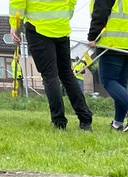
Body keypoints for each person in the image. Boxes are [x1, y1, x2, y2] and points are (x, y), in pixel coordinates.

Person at [8, 0, 92, 131]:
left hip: (38, 27)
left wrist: (15, 24)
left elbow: (18, 2)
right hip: (61, 26)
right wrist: (65, 15)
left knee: (50, 76)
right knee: (66, 74)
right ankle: (85, 120)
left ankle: (59, 122)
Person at [88, 0, 128, 133]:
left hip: (113, 42)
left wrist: (92, 36)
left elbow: (101, 12)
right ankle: (117, 123)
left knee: (108, 81)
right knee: (120, 84)